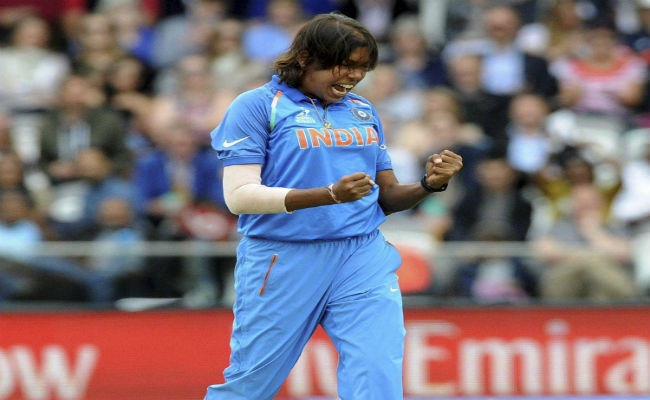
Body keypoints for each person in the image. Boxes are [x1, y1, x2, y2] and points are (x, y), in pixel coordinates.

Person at [204, 12, 463, 400]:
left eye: (363, 68)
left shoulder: (362, 110)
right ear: (306, 58)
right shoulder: (257, 106)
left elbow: (386, 196)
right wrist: (328, 195)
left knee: (376, 374)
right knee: (251, 385)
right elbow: (239, 197)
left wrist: (430, 184)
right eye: (345, 65)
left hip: (361, 253)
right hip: (283, 256)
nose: (354, 76)